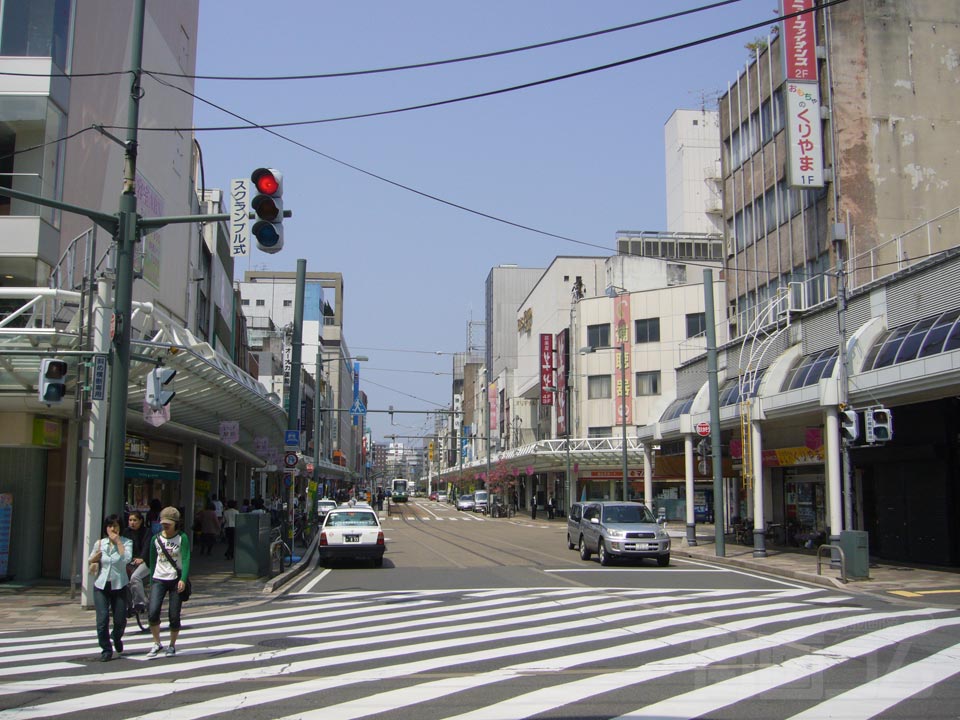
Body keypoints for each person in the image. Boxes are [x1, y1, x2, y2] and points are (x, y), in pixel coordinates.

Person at [147, 506, 191, 658]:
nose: (165, 526)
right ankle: (157, 642)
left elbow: (186, 559)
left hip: (175, 579)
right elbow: (152, 561)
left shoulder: (182, 538)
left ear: (175, 523)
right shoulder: (156, 539)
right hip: (159, 578)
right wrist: (151, 581)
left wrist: (183, 579)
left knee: (174, 615)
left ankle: (172, 645)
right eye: (163, 523)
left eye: (168, 523)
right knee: (153, 612)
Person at [89, 514, 132, 662]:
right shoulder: (100, 543)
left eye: (115, 526)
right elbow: (90, 559)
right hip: (101, 585)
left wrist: (118, 542)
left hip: (119, 585)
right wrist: (94, 559)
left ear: (120, 527)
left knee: (120, 620)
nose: (112, 529)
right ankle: (106, 649)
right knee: (102, 619)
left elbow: (126, 559)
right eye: (109, 526)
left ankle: (117, 636)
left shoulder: (127, 542)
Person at [123, 510, 151, 612]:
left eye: (135, 520)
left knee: (135, 577)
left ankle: (140, 602)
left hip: (146, 562)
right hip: (130, 561)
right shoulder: (126, 532)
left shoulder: (147, 532)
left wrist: (142, 558)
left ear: (140, 521)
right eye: (130, 520)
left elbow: (147, 547)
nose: (132, 523)